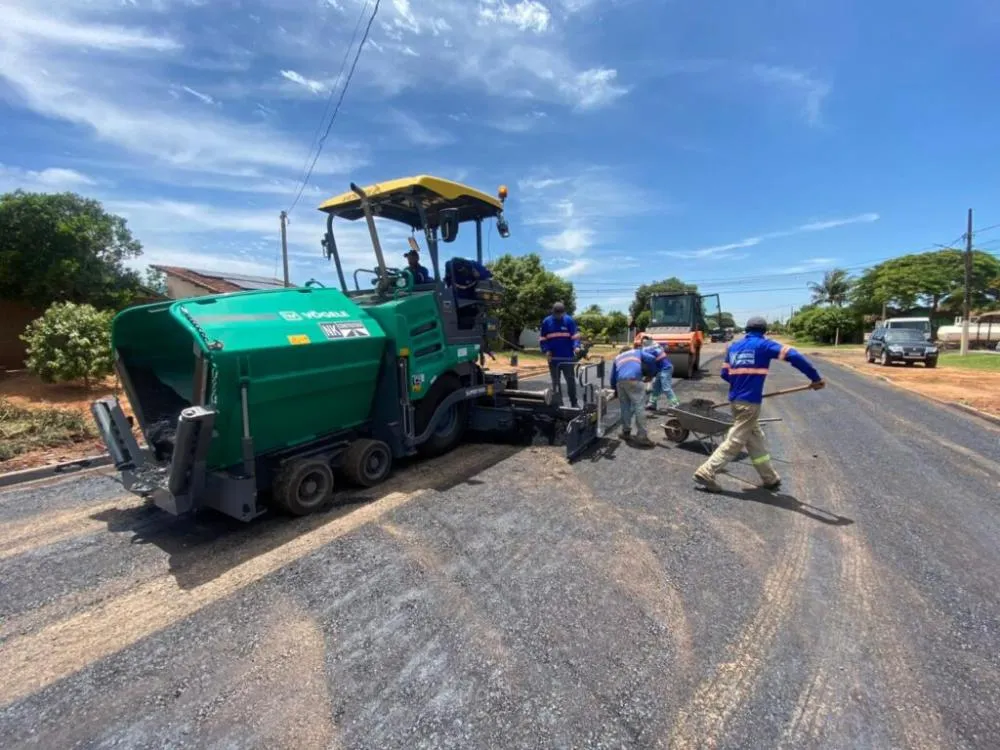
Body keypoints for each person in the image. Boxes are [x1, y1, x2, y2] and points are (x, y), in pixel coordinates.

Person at [693, 316, 825, 492]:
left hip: (735, 399)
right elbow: (793, 355)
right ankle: (706, 471)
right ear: (764, 331)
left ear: (747, 330)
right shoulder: (764, 345)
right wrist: (815, 378)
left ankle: (769, 478)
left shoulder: (734, 347)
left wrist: (741, 382)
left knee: (755, 439)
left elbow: (725, 374)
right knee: (736, 440)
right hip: (749, 403)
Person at [610, 338, 658, 446]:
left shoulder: (617, 358)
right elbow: (651, 358)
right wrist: (651, 374)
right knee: (639, 406)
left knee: (625, 407)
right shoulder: (637, 351)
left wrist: (615, 390)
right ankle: (642, 436)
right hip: (634, 379)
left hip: (620, 382)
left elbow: (613, 377)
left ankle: (626, 432)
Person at [539, 301, 582, 408]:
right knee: (556, 383)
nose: (558, 316)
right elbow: (543, 339)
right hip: (553, 359)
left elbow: (575, 337)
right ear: (553, 312)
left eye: (560, 314)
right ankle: (559, 403)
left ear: (563, 313)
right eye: (556, 314)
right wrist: (546, 350)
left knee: (570, 381)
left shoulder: (569, 321)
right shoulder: (546, 322)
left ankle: (574, 402)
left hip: (567, 358)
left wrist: (576, 347)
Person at [642, 335, 679, 410]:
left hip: (666, 369)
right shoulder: (655, 345)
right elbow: (664, 344)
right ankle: (652, 403)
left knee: (666, 388)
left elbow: (651, 366)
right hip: (661, 369)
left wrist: (649, 377)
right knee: (656, 388)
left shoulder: (649, 351)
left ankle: (675, 405)